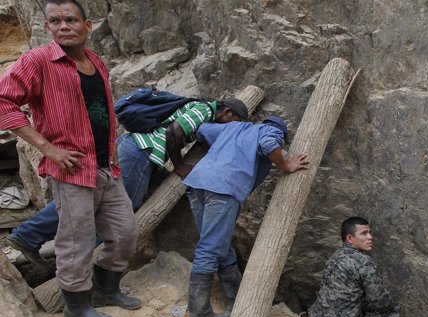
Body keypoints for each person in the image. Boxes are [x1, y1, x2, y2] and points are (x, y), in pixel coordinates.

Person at [0, 0, 139, 317]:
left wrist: (113, 145)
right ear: (47, 27)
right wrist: (48, 149)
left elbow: (101, 107)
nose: (64, 26)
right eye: (55, 21)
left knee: (125, 233)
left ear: (87, 26)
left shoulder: (95, 61)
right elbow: (4, 101)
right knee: (75, 240)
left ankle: (106, 290)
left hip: (106, 167)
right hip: (71, 171)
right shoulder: (38, 61)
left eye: (71, 20)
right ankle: (76, 307)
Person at [4, 94, 248, 267]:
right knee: (117, 208)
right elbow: (175, 131)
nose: (230, 128)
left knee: (96, 200)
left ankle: (36, 237)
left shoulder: (202, 113)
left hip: (135, 149)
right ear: (227, 112)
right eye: (233, 122)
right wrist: (179, 164)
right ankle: (43, 240)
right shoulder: (204, 109)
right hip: (141, 151)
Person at [182, 115, 309, 317]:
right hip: (223, 187)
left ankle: (234, 298)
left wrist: (224, 149)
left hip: (196, 183)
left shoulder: (233, 128)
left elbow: (202, 129)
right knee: (209, 249)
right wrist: (286, 165)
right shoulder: (270, 131)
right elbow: (269, 144)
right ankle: (199, 314)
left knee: (217, 244)